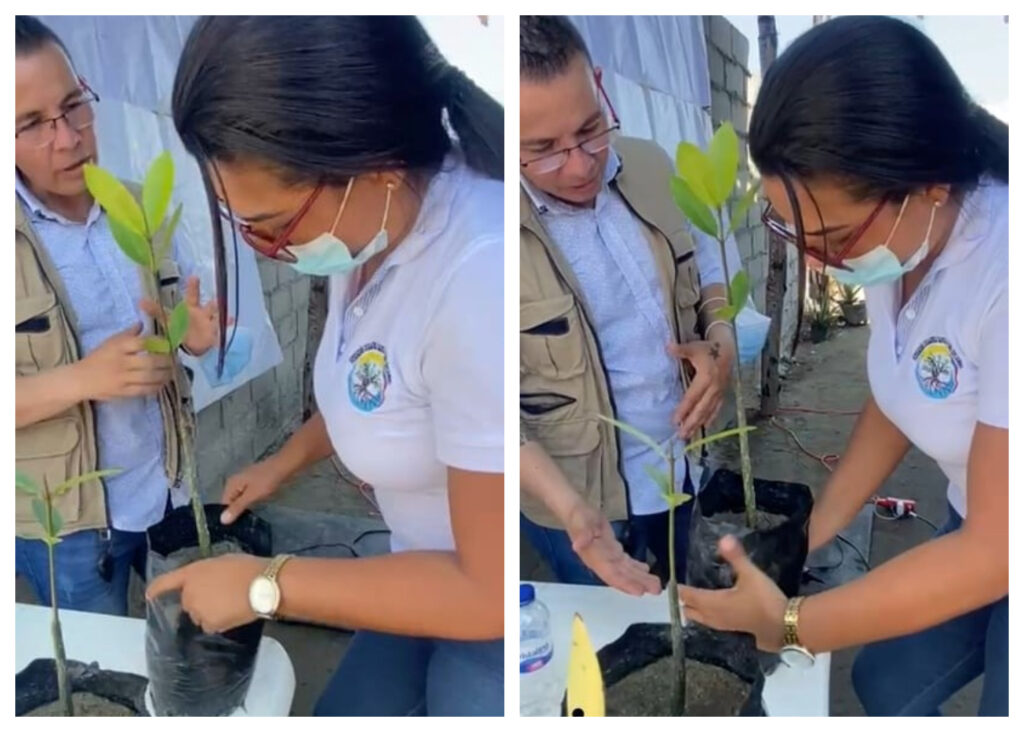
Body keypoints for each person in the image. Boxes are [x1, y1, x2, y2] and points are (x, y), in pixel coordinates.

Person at [145, 16, 504, 717]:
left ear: (371, 164)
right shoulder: (367, 230)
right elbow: (376, 389)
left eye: (273, 226)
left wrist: (263, 583)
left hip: (479, 593)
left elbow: (483, 592)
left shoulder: (473, 279)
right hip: (414, 562)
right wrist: (285, 461)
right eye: (240, 225)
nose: (264, 249)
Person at [678, 16, 1007, 716]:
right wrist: (801, 541)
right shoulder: (904, 243)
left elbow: (992, 554)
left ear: (929, 185)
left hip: (999, 538)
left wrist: (790, 623)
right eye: (791, 232)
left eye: (828, 238)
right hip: (981, 512)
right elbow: (898, 395)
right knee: (884, 682)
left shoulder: (1004, 274)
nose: (816, 258)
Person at [518, 16, 753, 595]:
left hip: (682, 462)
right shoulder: (490, 235)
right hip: (579, 500)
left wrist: (720, 341)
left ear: (598, 84)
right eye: (542, 151)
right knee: (608, 637)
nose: (579, 165)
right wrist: (570, 509)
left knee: (687, 610)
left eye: (591, 130)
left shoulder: (651, 165)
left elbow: (707, 265)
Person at [14, 16, 222, 617]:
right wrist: (83, 379)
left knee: (179, 649)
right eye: (32, 124)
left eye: (74, 105)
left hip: (167, 486)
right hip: (72, 524)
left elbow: (177, 322)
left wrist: (194, 336)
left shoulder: (138, 205)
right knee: (98, 673)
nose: (68, 137)